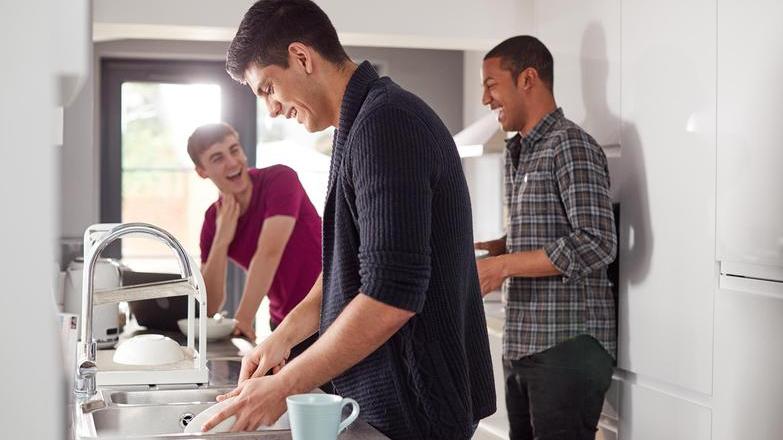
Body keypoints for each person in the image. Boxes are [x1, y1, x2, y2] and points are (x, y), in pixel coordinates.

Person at [200, 0, 496, 438]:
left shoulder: (387, 124)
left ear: (301, 57)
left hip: (419, 409)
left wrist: (284, 386)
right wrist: (281, 339)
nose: (272, 110)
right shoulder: (357, 125)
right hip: (393, 404)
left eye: (267, 89)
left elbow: (390, 298)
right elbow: (349, 268)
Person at [474, 35, 617, 440]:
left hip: (567, 347)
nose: (485, 98)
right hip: (526, 344)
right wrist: (503, 246)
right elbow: (556, 229)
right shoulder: (520, 152)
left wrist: (503, 266)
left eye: (490, 84)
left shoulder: (569, 145)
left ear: (528, 79)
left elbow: (597, 241)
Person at [188, 122, 322, 356]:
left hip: (328, 311)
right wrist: (221, 239)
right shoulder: (213, 219)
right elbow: (210, 303)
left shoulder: (280, 179)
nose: (232, 162)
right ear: (202, 171)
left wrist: (243, 320)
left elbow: (268, 253)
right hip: (283, 322)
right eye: (217, 158)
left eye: (234, 149)